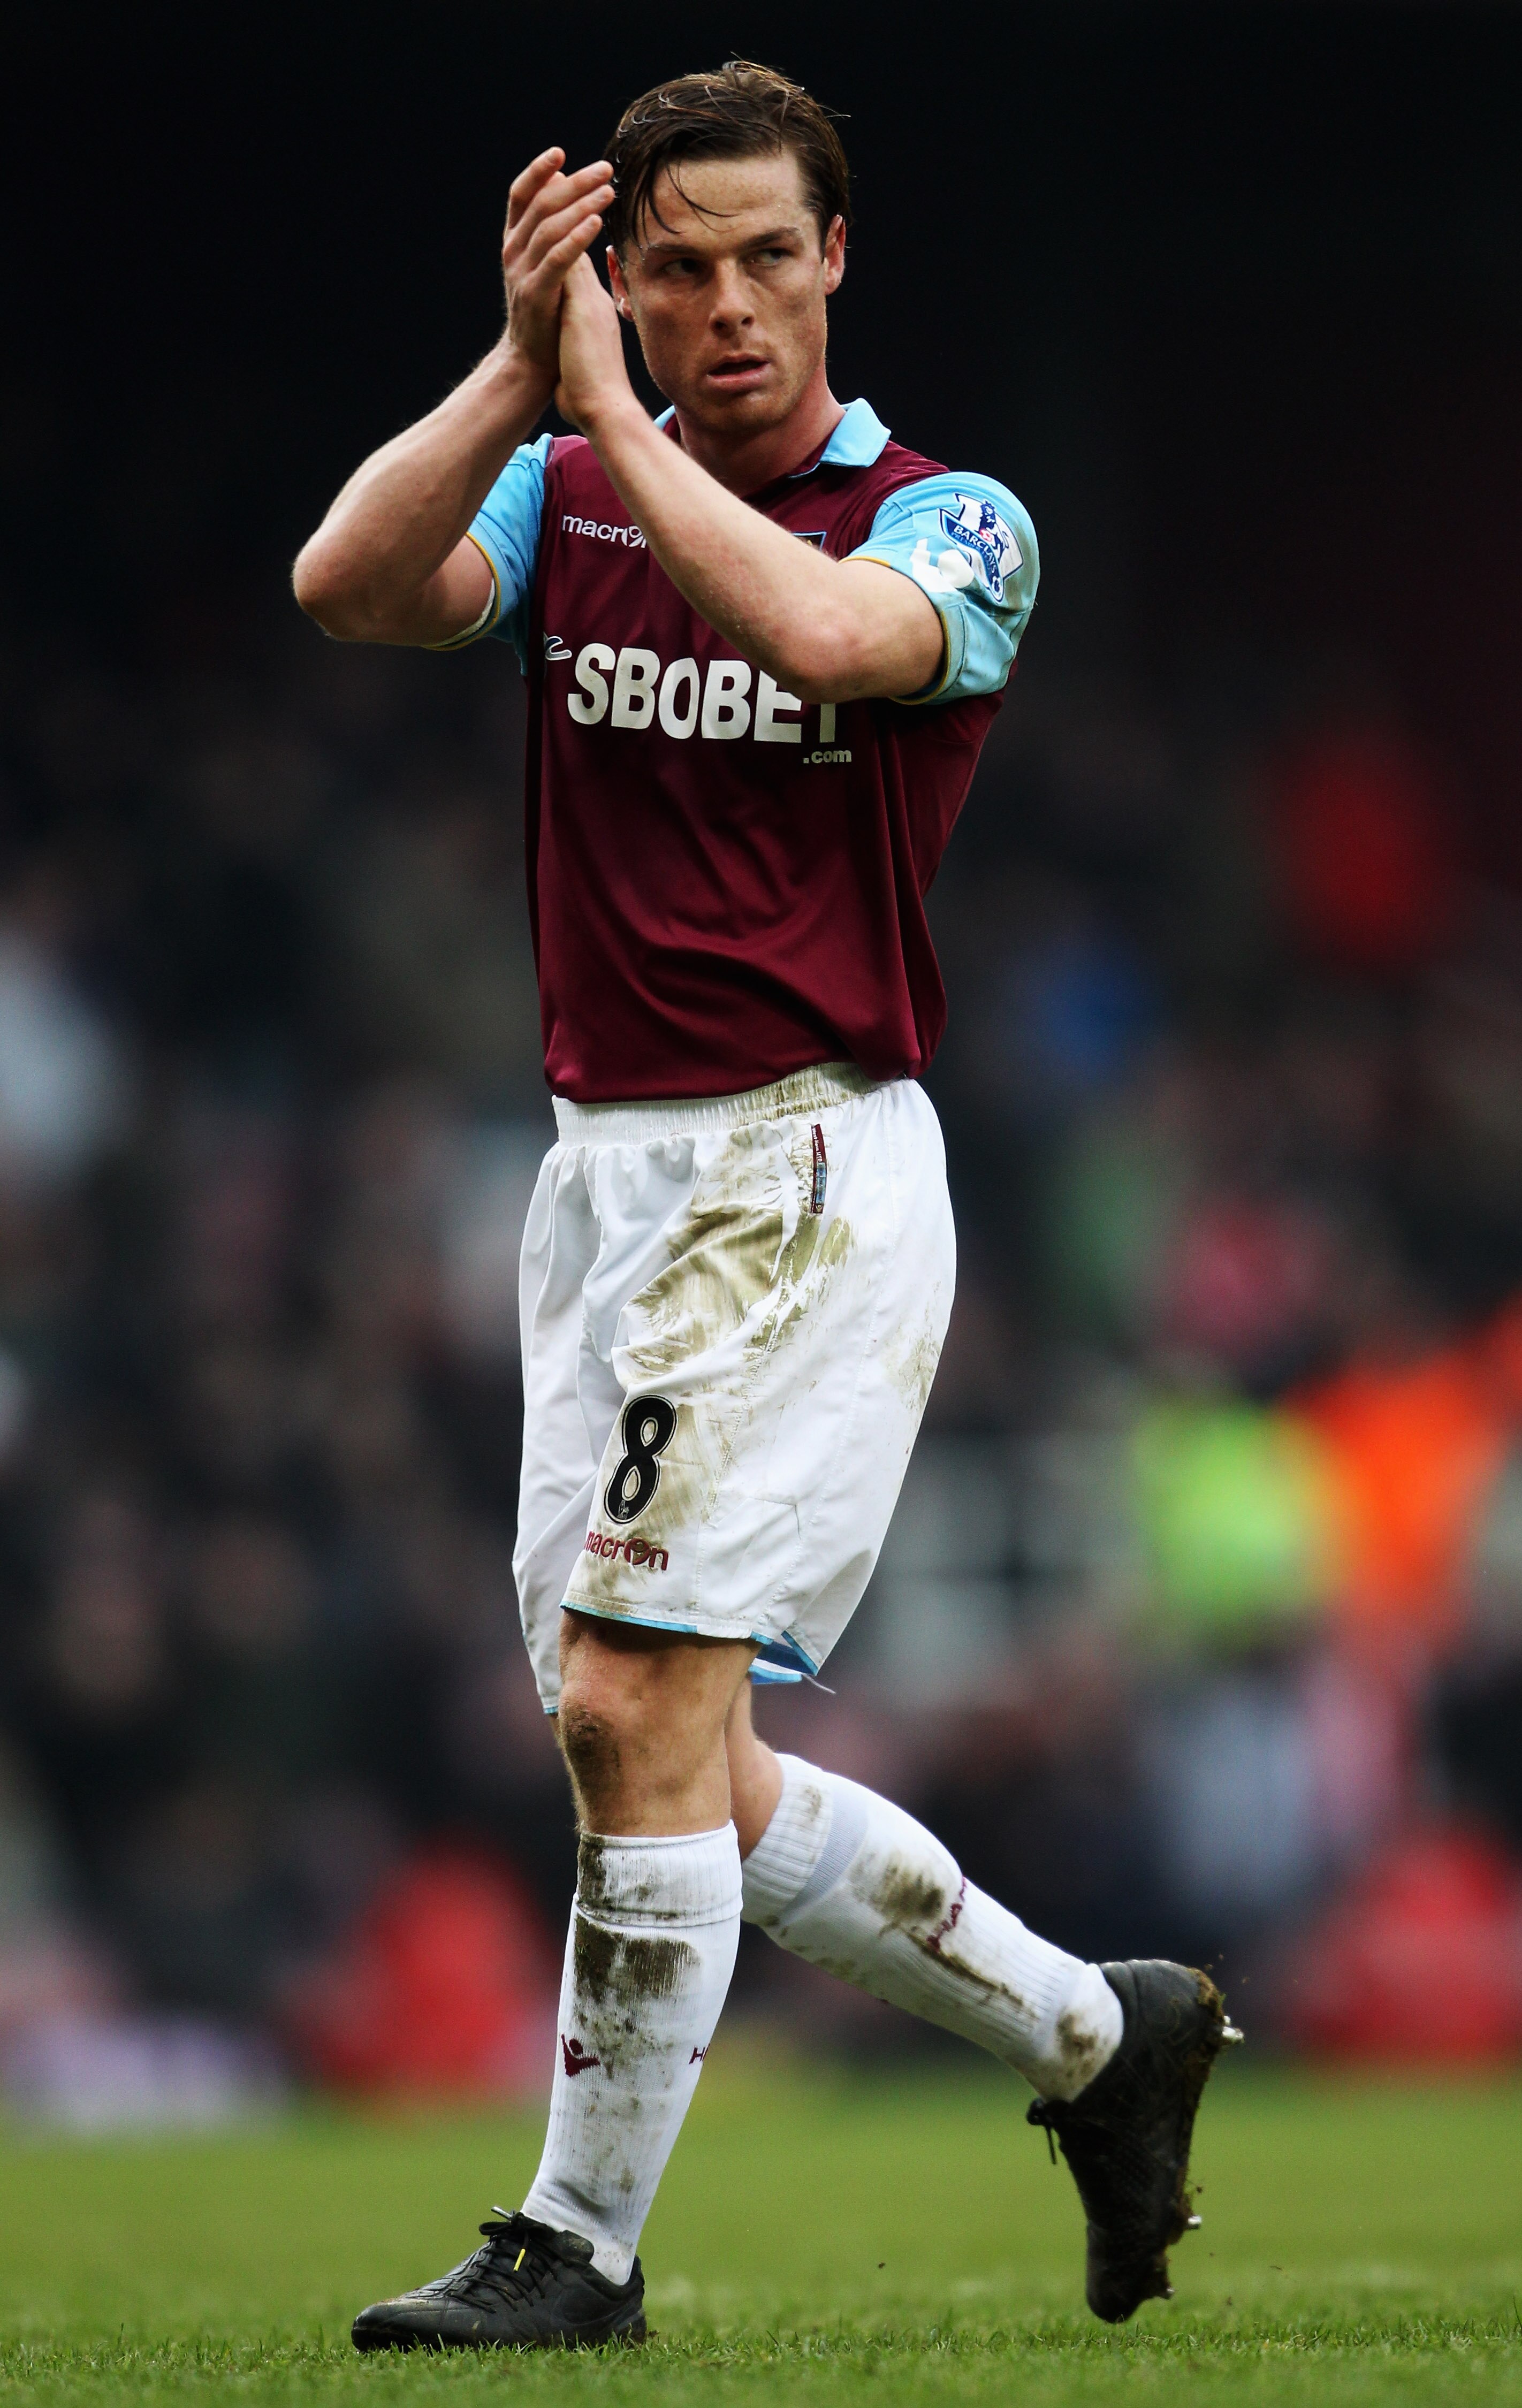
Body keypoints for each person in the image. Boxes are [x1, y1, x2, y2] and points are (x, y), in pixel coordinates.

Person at [294, 58, 1239, 2354]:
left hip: (803, 1158)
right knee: (678, 1761)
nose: (724, 310)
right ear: (620, 276)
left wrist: (605, 427)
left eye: (764, 260)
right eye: (674, 269)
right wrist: (528, 377)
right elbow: (352, 584)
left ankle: (576, 2253)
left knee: (628, 1708)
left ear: (838, 262)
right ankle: (1104, 2047)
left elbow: (827, 648)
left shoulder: (952, 520)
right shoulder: (566, 477)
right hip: (599, 1180)